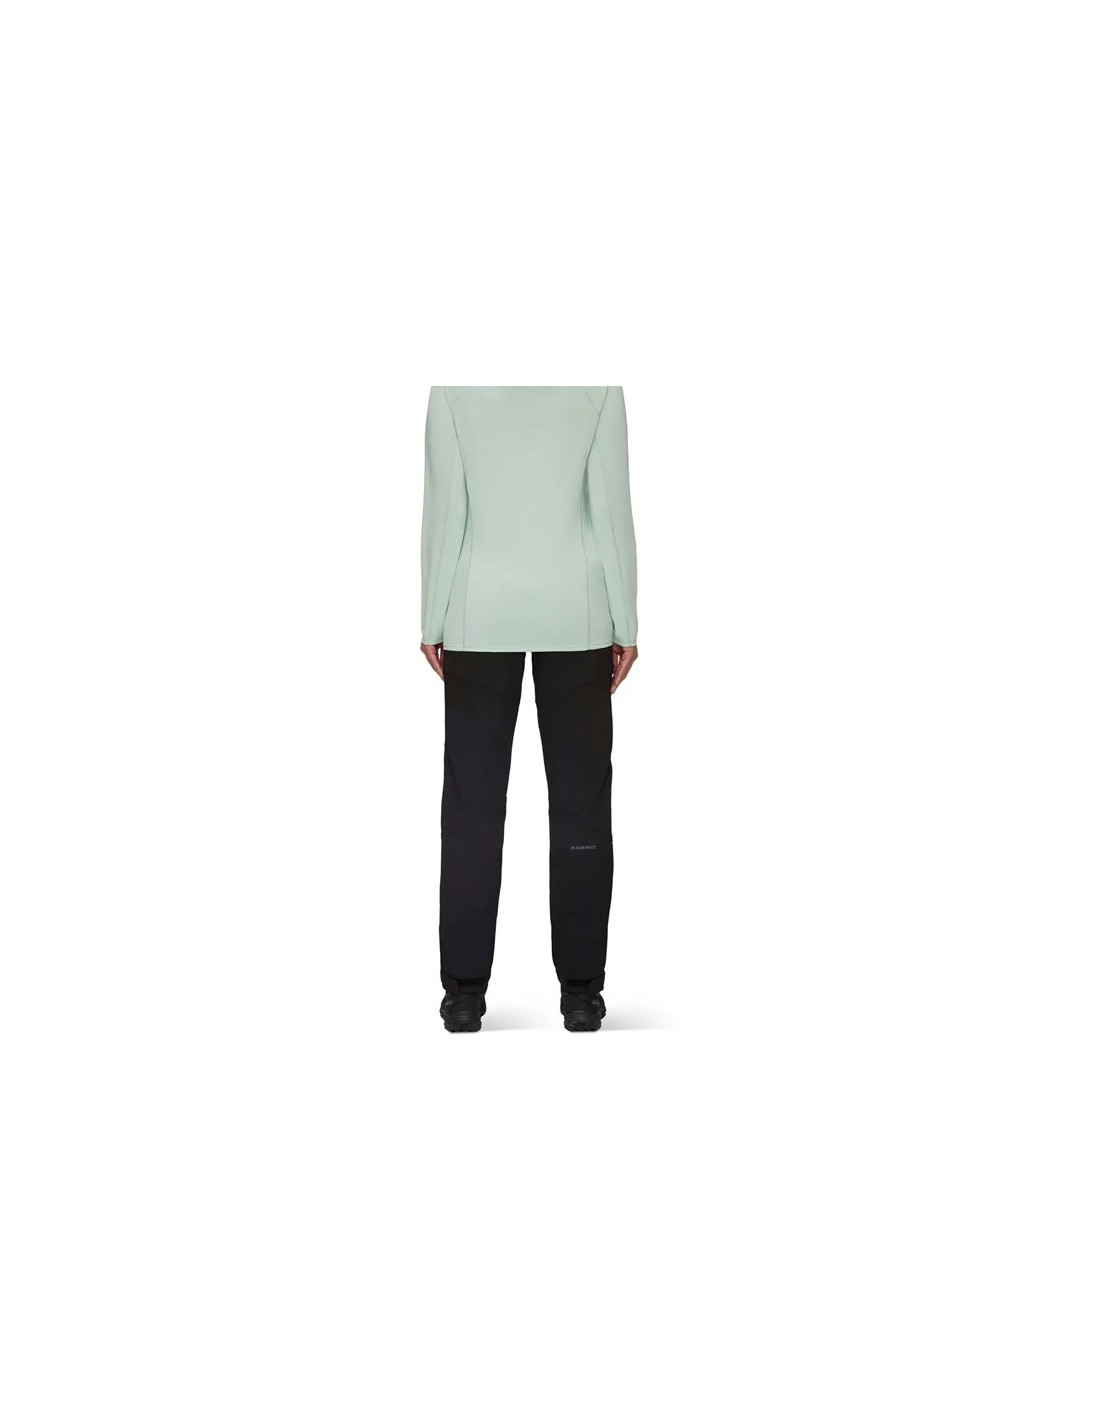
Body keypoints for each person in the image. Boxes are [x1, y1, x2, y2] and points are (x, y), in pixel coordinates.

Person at [419, 386, 639, 1032]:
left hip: (478, 611)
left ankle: (464, 993)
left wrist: (433, 617)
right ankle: (582, 992)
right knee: (581, 809)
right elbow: (610, 508)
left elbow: (446, 508)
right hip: (577, 612)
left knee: (471, 811)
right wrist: (625, 621)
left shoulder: (454, 389)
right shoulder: (597, 386)